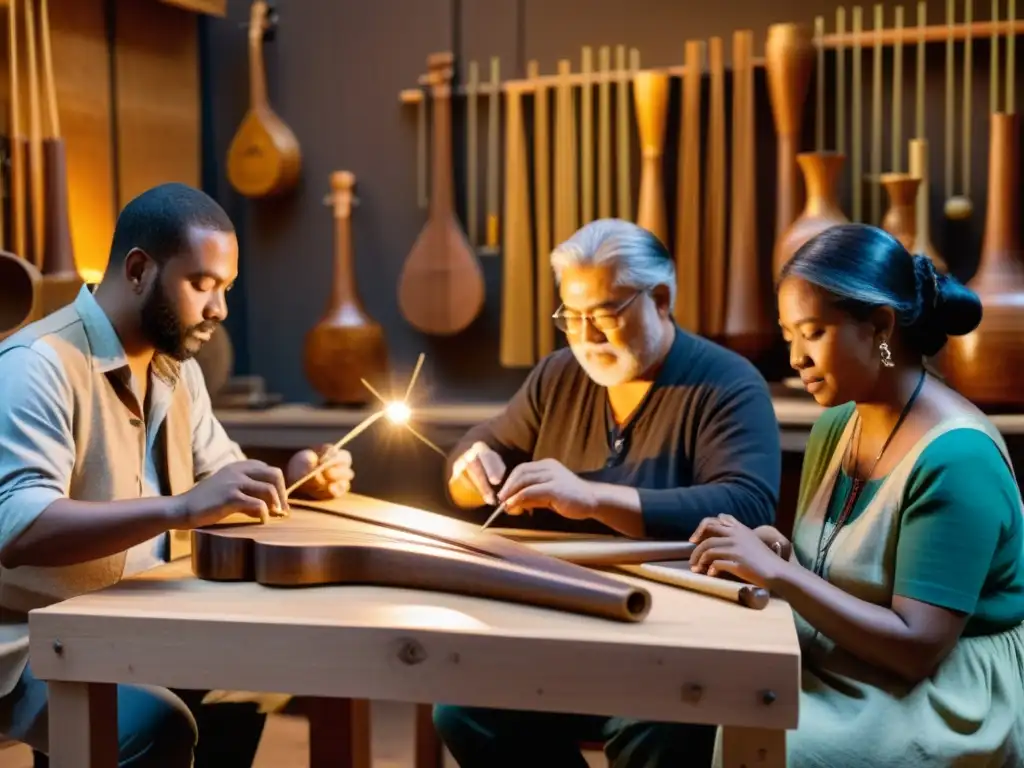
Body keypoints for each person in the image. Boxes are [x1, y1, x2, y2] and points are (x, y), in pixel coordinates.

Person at [0, 183, 355, 767]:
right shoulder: (37, 364)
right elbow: (20, 528)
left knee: (258, 676)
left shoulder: (176, 368)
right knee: (154, 724)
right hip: (33, 642)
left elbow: (224, 481)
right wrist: (181, 507)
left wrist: (294, 475)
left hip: (142, 620)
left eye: (226, 289)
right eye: (203, 285)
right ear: (139, 269)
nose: (219, 309)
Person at [434, 218, 783, 767]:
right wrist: (472, 466)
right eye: (570, 317)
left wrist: (593, 497)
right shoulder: (557, 376)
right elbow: (481, 443)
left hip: (675, 637)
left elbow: (746, 504)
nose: (584, 337)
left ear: (661, 298)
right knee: (462, 707)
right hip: (556, 625)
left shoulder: (728, 383)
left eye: (603, 316)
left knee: (662, 722)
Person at [689, 223, 1024, 767]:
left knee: (781, 745)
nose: (795, 357)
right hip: (848, 658)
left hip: (949, 692)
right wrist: (780, 556)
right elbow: (827, 573)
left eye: (813, 332)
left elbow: (918, 648)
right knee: (692, 704)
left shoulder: (958, 458)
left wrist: (783, 577)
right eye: (787, 334)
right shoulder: (837, 425)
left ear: (881, 329)